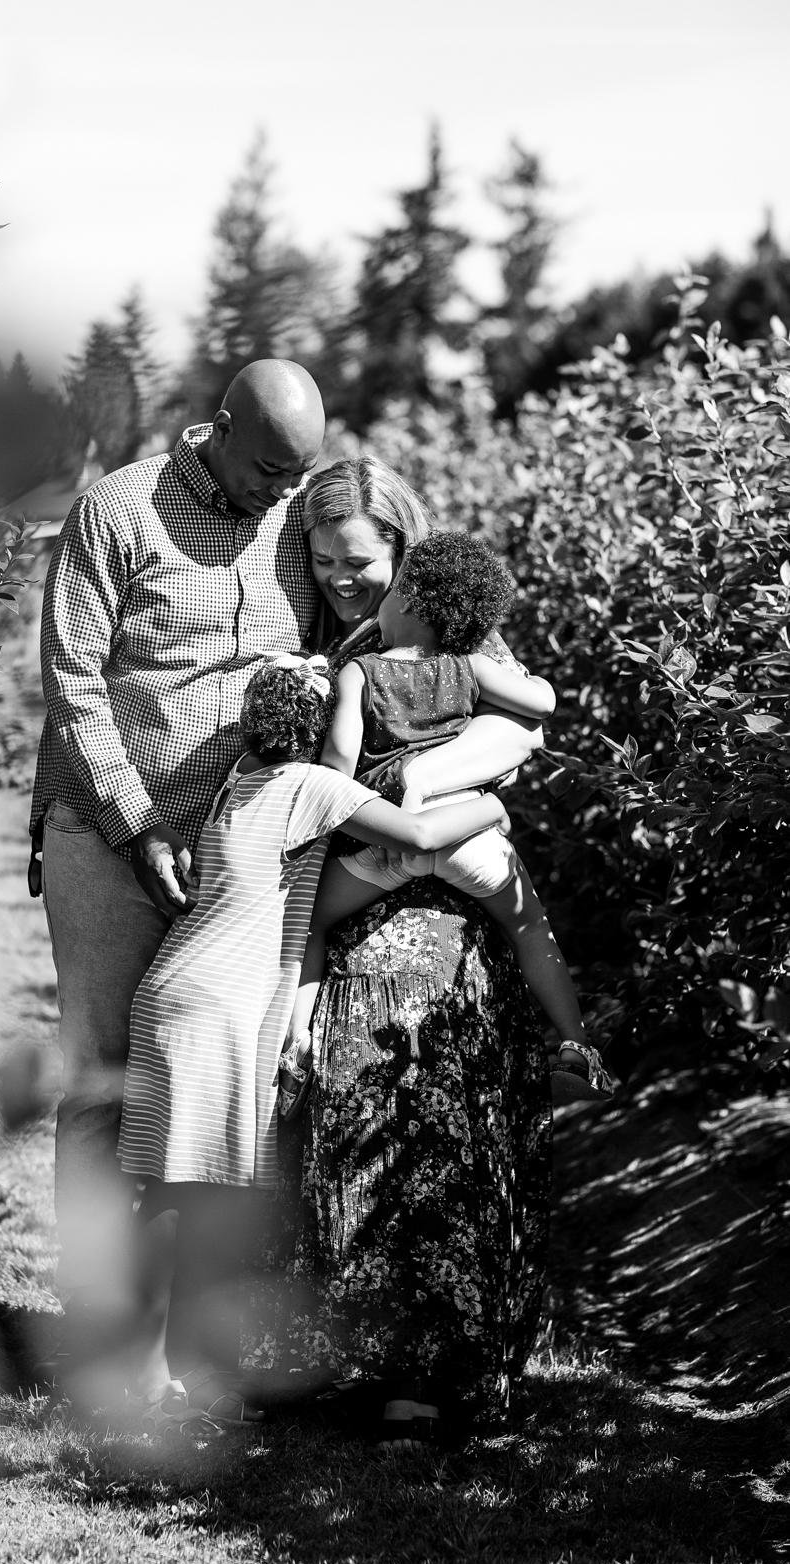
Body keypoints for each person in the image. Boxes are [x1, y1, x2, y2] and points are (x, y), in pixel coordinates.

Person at [29, 359, 325, 1409]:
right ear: (218, 429)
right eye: (265, 471)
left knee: (218, 1081)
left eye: (297, 476)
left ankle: (198, 1325)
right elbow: (69, 678)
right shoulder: (119, 511)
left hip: (243, 852)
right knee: (105, 1078)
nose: (277, 495)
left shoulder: (297, 517)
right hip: (111, 836)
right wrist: (132, 817)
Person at [116, 656, 511, 1435]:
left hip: (184, 990)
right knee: (184, 1197)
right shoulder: (312, 788)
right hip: (214, 1005)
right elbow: (423, 831)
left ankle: (171, 1369)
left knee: (179, 1194)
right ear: (325, 726)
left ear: (246, 724)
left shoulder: (243, 776)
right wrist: (489, 804)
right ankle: (149, 1376)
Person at [253, 457, 554, 1446]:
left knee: (458, 1132)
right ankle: (389, 1366)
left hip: (448, 909)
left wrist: (424, 794)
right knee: (361, 1130)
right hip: (356, 905)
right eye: (324, 560)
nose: (343, 578)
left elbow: (519, 733)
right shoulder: (318, 644)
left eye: (359, 562)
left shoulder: (455, 630)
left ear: (402, 551)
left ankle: (477, 1365)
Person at [281, 530, 618, 1116]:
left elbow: (337, 763)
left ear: (406, 600)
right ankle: (575, 1045)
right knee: (531, 927)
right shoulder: (470, 665)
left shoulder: (359, 672)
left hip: (389, 839)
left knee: (305, 924)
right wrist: (533, 691)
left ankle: (299, 1045)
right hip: (470, 836)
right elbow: (540, 707)